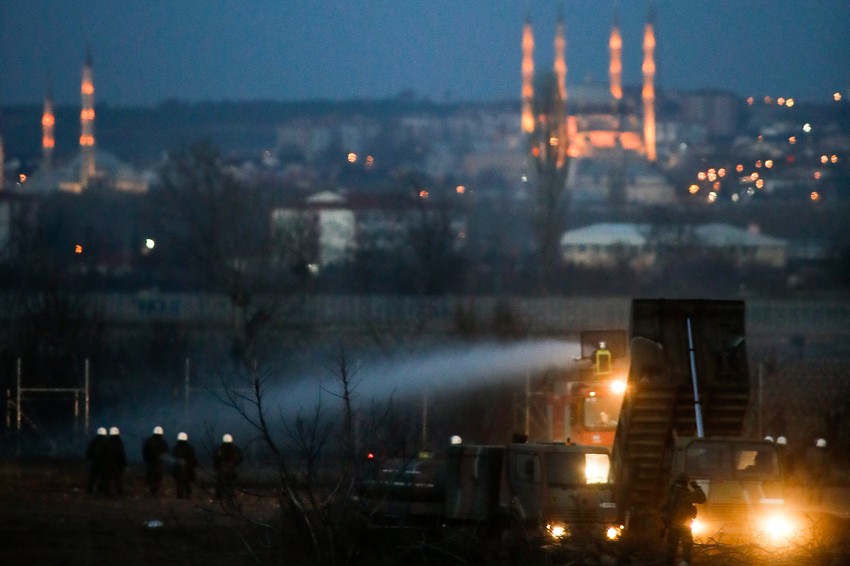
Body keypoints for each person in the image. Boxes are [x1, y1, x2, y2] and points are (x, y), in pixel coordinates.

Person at [661, 473, 706, 566]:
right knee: (687, 546)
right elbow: (702, 499)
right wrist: (696, 487)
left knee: (671, 548)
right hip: (685, 524)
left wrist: (664, 524)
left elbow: (663, 509)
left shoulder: (669, 493)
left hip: (672, 524)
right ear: (686, 482)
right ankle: (685, 563)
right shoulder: (686, 494)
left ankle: (669, 563)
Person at [214, 433, 243, 501]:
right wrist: (235, 463)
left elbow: (217, 458)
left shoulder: (221, 448)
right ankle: (229, 496)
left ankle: (219, 496)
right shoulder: (234, 448)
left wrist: (216, 466)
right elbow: (239, 458)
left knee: (221, 482)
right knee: (229, 483)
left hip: (223, 467)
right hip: (230, 467)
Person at [142, 425, 169, 496]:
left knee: (151, 476)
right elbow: (166, 452)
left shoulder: (148, 441)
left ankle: (152, 490)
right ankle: (155, 490)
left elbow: (145, 451)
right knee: (158, 477)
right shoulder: (163, 442)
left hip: (150, 463)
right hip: (159, 463)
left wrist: (146, 460)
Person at [102, 426, 127, 496]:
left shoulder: (107, 442)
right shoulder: (119, 442)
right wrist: (124, 463)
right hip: (117, 464)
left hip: (108, 463)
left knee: (107, 479)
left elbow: (103, 453)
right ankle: (119, 492)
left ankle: (107, 492)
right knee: (118, 479)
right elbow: (122, 454)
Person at [172, 431, 198, 499]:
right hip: (187, 467)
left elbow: (173, 458)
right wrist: (193, 466)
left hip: (179, 468)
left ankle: (180, 496)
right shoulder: (189, 447)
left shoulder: (176, 447)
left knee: (179, 483)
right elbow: (193, 458)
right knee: (187, 481)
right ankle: (188, 494)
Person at [806, 438, 830, 504]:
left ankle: (809, 500)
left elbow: (808, 463)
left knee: (811, 487)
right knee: (819, 488)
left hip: (813, 472)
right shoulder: (823, 454)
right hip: (819, 473)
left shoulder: (811, 452)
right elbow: (826, 464)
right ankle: (818, 501)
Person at [86, 427, 108, 494]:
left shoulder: (93, 441)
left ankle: (89, 490)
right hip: (103, 463)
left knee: (93, 477)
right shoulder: (107, 442)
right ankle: (100, 489)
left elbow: (89, 452)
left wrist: (91, 458)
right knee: (103, 477)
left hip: (94, 462)